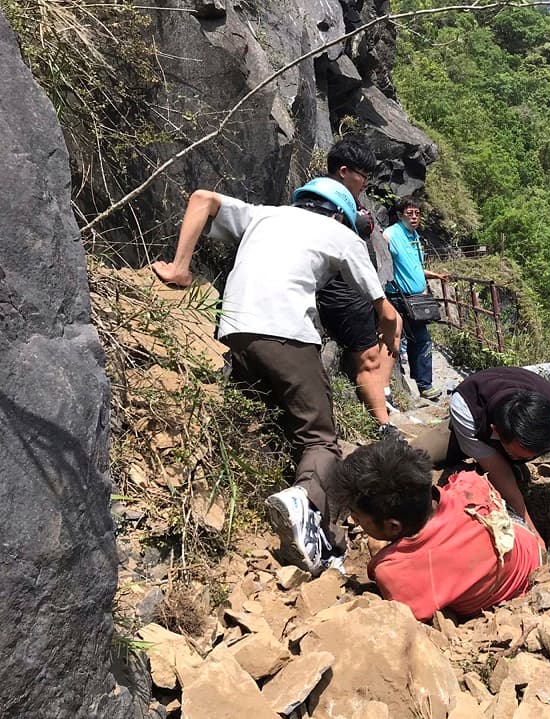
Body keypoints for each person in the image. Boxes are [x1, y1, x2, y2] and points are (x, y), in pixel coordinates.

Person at [153, 178, 401, 576]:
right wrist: (391, 330)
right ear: (340, 214)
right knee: (320, 439)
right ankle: (309, 513)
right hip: (286, 334)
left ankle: (276, 502)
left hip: (234, 332)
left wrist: (180, 268)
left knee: (275, 419)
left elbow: (201, 198)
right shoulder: (340, 233)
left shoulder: (263, 215)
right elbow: (384, 309)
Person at [410, 366, 550, 584]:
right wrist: (532, 534)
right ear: (496, 433)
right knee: (414, 456)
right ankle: (501, 468)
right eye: (521, 455)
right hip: (474, 428)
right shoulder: (466, 407)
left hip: (515, 431)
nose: (530, 458)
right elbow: (499, 471)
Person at [334, 440, 543, 621]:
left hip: (514, 595)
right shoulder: (469, 483)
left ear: (393, 526)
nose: (354, 520)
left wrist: (381, 554)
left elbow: (412, 615)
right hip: (530, 549)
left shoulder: (392, 570)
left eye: (357, 516)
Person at [316, 138, 400, 440]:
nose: (365, 182)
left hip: (361, 287)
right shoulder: (323, 201)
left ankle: (383, 391)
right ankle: (383, 424)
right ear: (343, 171)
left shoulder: (348, 201)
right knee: (367, 358)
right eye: (362, 175)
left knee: (395, 324)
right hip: (341, 290)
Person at [384, 196, 445, 400]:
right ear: (400, 215)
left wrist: (434, 275)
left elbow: (415, 267)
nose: (414, 217)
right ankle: (417, 386)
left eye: (417, 213)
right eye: (409, 213)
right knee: (414, 340)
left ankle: (421, 384)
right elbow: (383, 257)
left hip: (416, 299)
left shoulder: (414, 236)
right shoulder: (392, 234)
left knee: (417, 340)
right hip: (399, 298)